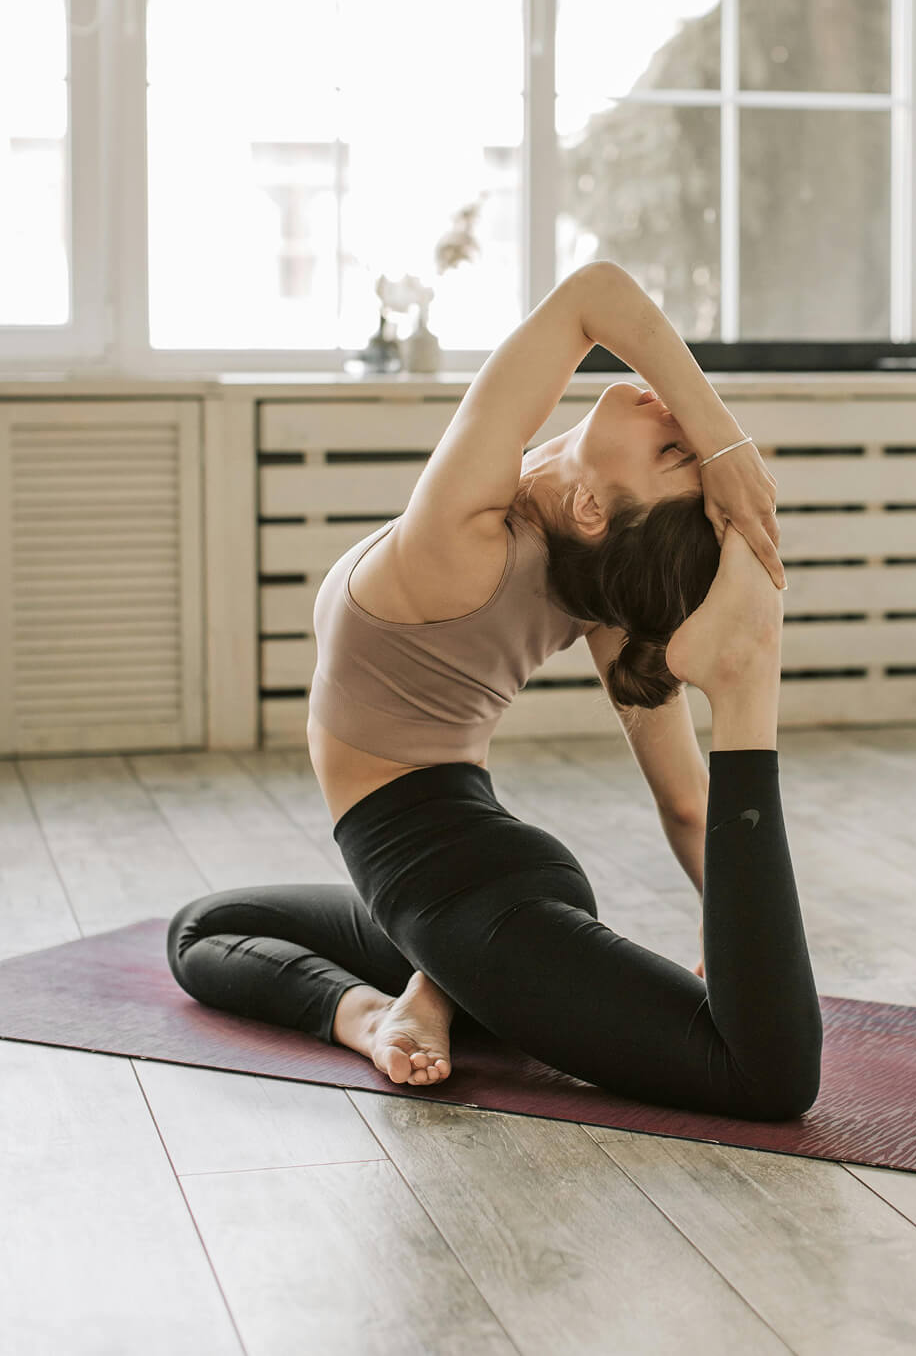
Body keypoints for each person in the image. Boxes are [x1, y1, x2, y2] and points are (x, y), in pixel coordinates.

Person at [167, 261, 823, 1121]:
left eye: (672, 451)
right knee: (206, 925)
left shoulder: (460, 540)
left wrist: (726, 450)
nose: (677, 411)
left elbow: (592, 295)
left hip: (474, 898)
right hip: (457, 885)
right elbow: (685, 809)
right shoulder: (591, 582)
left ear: (592, 508)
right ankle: (416, 997)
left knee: (764, 1078)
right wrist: (721, 926)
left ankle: (378, 1013)